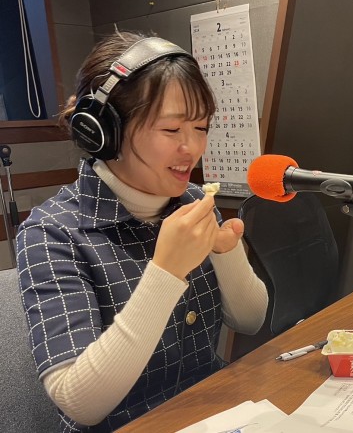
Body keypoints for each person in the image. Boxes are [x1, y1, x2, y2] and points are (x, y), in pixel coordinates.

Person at [16, 30, 268, 432]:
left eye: (201, 128)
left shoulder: (191, 201)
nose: (192, 148)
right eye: (171, 131)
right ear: (105, 131)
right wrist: (166, 271)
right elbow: (79, 402)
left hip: (211, 412)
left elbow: (250, 321)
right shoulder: (52, 234)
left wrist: (226, 253)